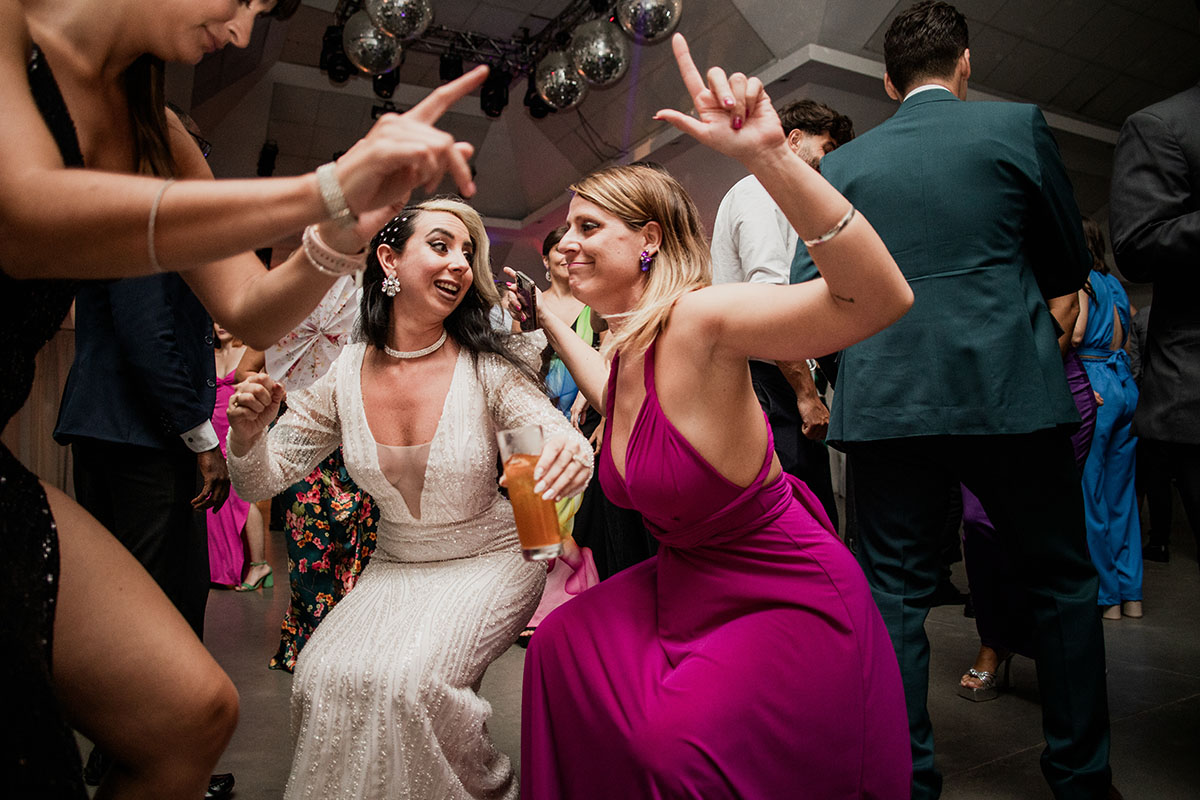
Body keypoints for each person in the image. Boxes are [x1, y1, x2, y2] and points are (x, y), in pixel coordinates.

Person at [0, 0, 490, 792]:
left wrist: (340, 235)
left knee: (193, 714)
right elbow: (23, 215)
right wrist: (323, 190)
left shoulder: (156, 136)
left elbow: (250, 305)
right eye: (244, 2)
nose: (239, 32)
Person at [520, 34, 913, 798]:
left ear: (649, 243)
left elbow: (880, 299)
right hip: (689, 581)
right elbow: (615, 395)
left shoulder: (699, 317)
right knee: (559, 644)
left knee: (676, 750)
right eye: (565, 231)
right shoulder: (631, 351)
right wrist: (552, 322)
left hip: (780, 590)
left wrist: (771, 159)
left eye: (587, 228)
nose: (566, 246)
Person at [788, 4, 1113, 797]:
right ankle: (1080, 777)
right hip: (1010, 391)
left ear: (889, 81)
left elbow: (809, 294)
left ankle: (907, 779)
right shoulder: (1018, 128)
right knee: (1062, 582)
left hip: (890, 400)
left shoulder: (844, 167)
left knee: (894, 593)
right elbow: (1067, 260)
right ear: (964, 65)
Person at [226, 198, 594, 800]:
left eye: (468, 253)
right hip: (393, 565)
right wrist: (246, 437)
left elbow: (550, 436)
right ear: (389, 259)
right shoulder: (342, 374)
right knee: (320, 675)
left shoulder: (489, 366)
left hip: (490, 559)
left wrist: (566, 456)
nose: (460, 265)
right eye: (442, 246)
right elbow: (259, 481)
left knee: (412, 684)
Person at [710, 97, 854, 528]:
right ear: (794, 140)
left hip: (782, 375)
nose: (830, 164)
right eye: (826, 149)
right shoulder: (760, 191)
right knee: (799, 518)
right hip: (772, 380)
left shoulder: (786, 200)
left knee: (809, 512)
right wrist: (806, 395)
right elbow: (768, 302)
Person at [1109, 8, 1200, 564]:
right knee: (1130, 494)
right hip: (1180, 383)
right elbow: (1140, 243)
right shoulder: (1165, 124)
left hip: (1118, 388)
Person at [258, 274, 380, 671]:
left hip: (358, 450)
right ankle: (312, 650)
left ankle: (349, 648)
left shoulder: (375, 313)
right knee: (309, 556)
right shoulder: (295, 316)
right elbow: (264, 366)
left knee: (357, 552)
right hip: (305, 450)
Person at [1073, 218, 1142, 620]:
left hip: (1094, 379)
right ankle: (1132, 595)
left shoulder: (1081, 280)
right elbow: (1128, 334)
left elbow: (1077, 334)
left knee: (1090, 495)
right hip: (1124, 383)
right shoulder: (1114, 284)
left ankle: (1107, 598)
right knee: (1122, 496)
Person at [206, 324, 273, 591]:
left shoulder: (250, 352)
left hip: (238, 429)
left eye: (225, 320)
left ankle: (259, 565)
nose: (219, 325)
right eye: (214, 320)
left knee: (242, 497)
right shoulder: (207, 354)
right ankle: (223, 568)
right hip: (211, 430)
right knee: (217, 501)